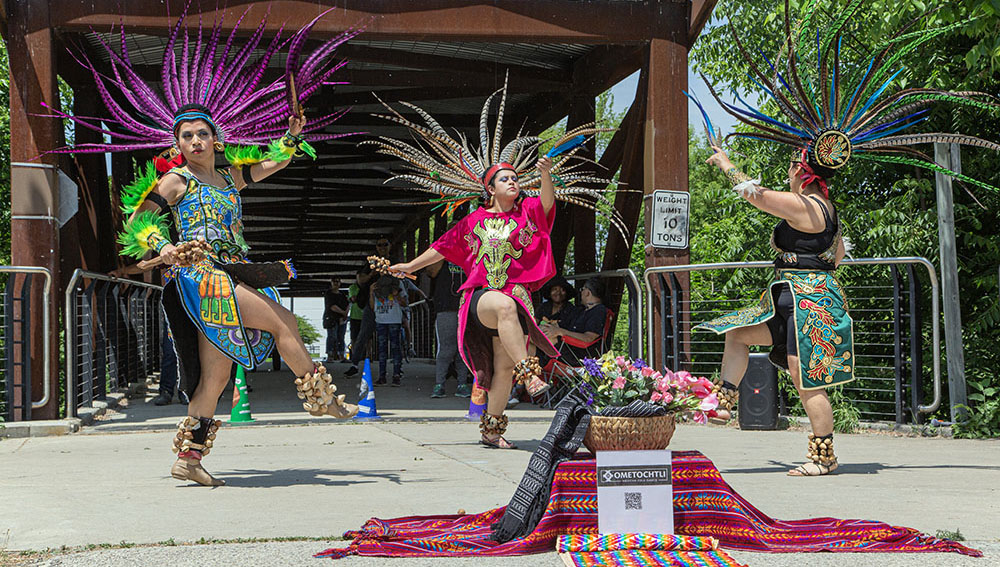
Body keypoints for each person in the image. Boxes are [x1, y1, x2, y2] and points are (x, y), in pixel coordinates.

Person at [686, 1, 1000, 477]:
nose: (788, 168)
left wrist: (726, 163)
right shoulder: (823, 208)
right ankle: (724, 402)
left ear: (805, 173)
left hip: (806, 304)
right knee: (736, 334)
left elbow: (758, 197)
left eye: (794, 164)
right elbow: (835, 257)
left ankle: (823, 455)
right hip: (792, 298)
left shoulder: (809, 206)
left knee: (806, 381)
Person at [51, 11, 364, 486]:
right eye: (186, 136)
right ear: (177, 143)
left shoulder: (228, 176)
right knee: (280, 321)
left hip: (234, 269)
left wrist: (293, 135)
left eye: (202, 134)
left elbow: (274, 164)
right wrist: (165, 245)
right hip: (202, 276)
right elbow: (139, 222)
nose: (195, 141)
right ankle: (320, 396)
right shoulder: (175, 180)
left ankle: (189, 458)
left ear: (217, 139)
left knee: (215, 380)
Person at [367, 79, 621, 448]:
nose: (514, 182)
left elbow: (549, 205)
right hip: (483, 299)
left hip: (518, 299)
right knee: (502, 306)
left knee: (501, 367)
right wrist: (409, 265)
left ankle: (492, 429)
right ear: (491, 187)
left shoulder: (529, 212)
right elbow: (441, 248)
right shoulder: (473, 221)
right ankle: (531, 375)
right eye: (506, 178)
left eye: (517, 178)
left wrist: (546, 173)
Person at [344, 237, 391, 377]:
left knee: (392, 336)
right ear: (376, 247)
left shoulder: (395, 261)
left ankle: (395, 368)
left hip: (390, 304)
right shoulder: (371, 263)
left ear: (390, 246)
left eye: (385, 244)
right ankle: (354, 364)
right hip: (371, 304)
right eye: (379, 245)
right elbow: (360, 280)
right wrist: (373, 273)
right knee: (363, 335)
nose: (382, 247)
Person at [427, 260, 472, 398]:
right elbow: (431, 271)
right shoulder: (442, 257)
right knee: (446, 349)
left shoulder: (469, 255)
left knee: (463, 349)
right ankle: (439, 384)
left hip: (465, 307)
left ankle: (462, 384)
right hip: (445, 307)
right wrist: (445, 252)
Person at [541, 277, 610, 366]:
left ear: (587, 292)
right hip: (567, 347)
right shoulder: (582, 310)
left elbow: (588, 338)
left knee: (541, 337)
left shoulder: (598, 311)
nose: (581, 292)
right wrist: (554, 326)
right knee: (532, 335)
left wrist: (560, 332)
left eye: (582, 289)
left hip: (578, 355)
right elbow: (563, 325)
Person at [370, 275, 407, 386]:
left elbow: (404, 303)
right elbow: (372, 306)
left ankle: (396, 375)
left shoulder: (398, 283)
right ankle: (382, 376)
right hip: (381, 320)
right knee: (382, 350)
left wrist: (397, 296)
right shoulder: (376, 285)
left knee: (395, 349)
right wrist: (371, 292)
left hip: (394, 320)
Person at [323, 277, 349, 362]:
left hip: (342, 319)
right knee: (332, 337)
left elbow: (348, 304)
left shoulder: (342, 294)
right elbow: (332, 306)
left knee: (341, 337)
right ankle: (330, 356)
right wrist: (343, 312)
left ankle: (342, 355)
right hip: (331, 319)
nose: (336, 283)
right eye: (334, 281)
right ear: (331, 283)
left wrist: (345, 313)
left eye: (338, 281)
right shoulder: (329, 294)